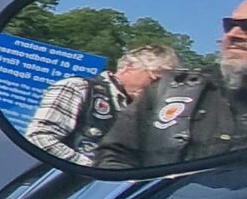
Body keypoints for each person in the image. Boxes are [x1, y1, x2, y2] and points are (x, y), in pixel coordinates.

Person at [90, 0, 247, 171]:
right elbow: (113, 156)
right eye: (229, 25)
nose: (233, 34)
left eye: (246, 27)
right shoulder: (169, 91)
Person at [23, 45, 178, 163]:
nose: (156, 89)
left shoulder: (145, 114)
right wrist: (94, 170)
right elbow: (39, 138)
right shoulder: (78, 88)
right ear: (129, 67)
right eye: (154, 80)